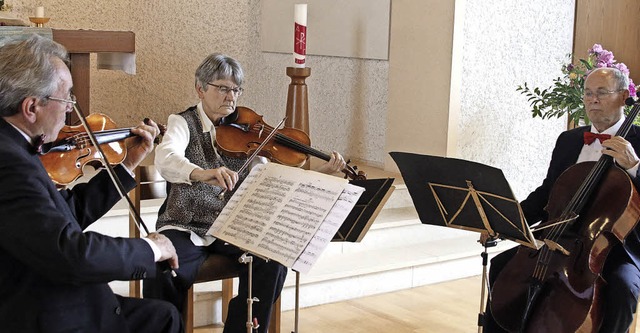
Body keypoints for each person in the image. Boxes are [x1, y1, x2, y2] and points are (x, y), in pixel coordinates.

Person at [143, 53, 347, 333]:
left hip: (232, 228)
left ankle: (242, 328)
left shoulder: (249, 134)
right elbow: (165, 158)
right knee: (162, 266)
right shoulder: (182, 123)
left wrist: (320, 173)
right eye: (223, 88)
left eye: (236, 89)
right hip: (185, 225)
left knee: (273, 261)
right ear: (200, 89)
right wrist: (202, 173)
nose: (231, 96)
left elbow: (273, 180)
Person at [0, 35, 183, 333]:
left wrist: (127, 165)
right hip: (42, 312)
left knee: (163, 315)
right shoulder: (9, 162)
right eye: (67, 98)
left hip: (49, 295)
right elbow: (71, 253)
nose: (71, 108)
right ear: (31, 107)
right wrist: (149, 249)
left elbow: (65, 212)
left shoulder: (16, 146)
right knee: (162, 317)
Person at [483, 67, 640, 332]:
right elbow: (547, 193)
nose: (593, 100)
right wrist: (504, 221)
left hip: (616, 247)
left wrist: (635, 166)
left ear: (624, 96)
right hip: (558, 238)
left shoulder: (637, 141)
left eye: (602, 93)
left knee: (622, 289)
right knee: (501, 266)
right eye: (588, 93)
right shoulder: (569, 140)